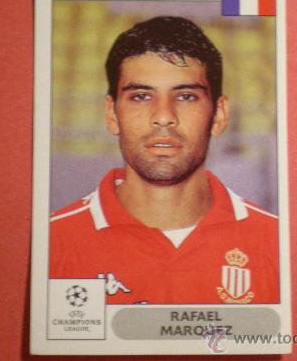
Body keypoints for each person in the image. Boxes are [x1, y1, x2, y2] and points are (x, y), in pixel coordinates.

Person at [50, 16, 278, 304]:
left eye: (186, 96)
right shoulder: (53, 242)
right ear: (111, 114)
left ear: (219, 115)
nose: (163, 116)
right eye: (141, 96)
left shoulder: (275, 241)